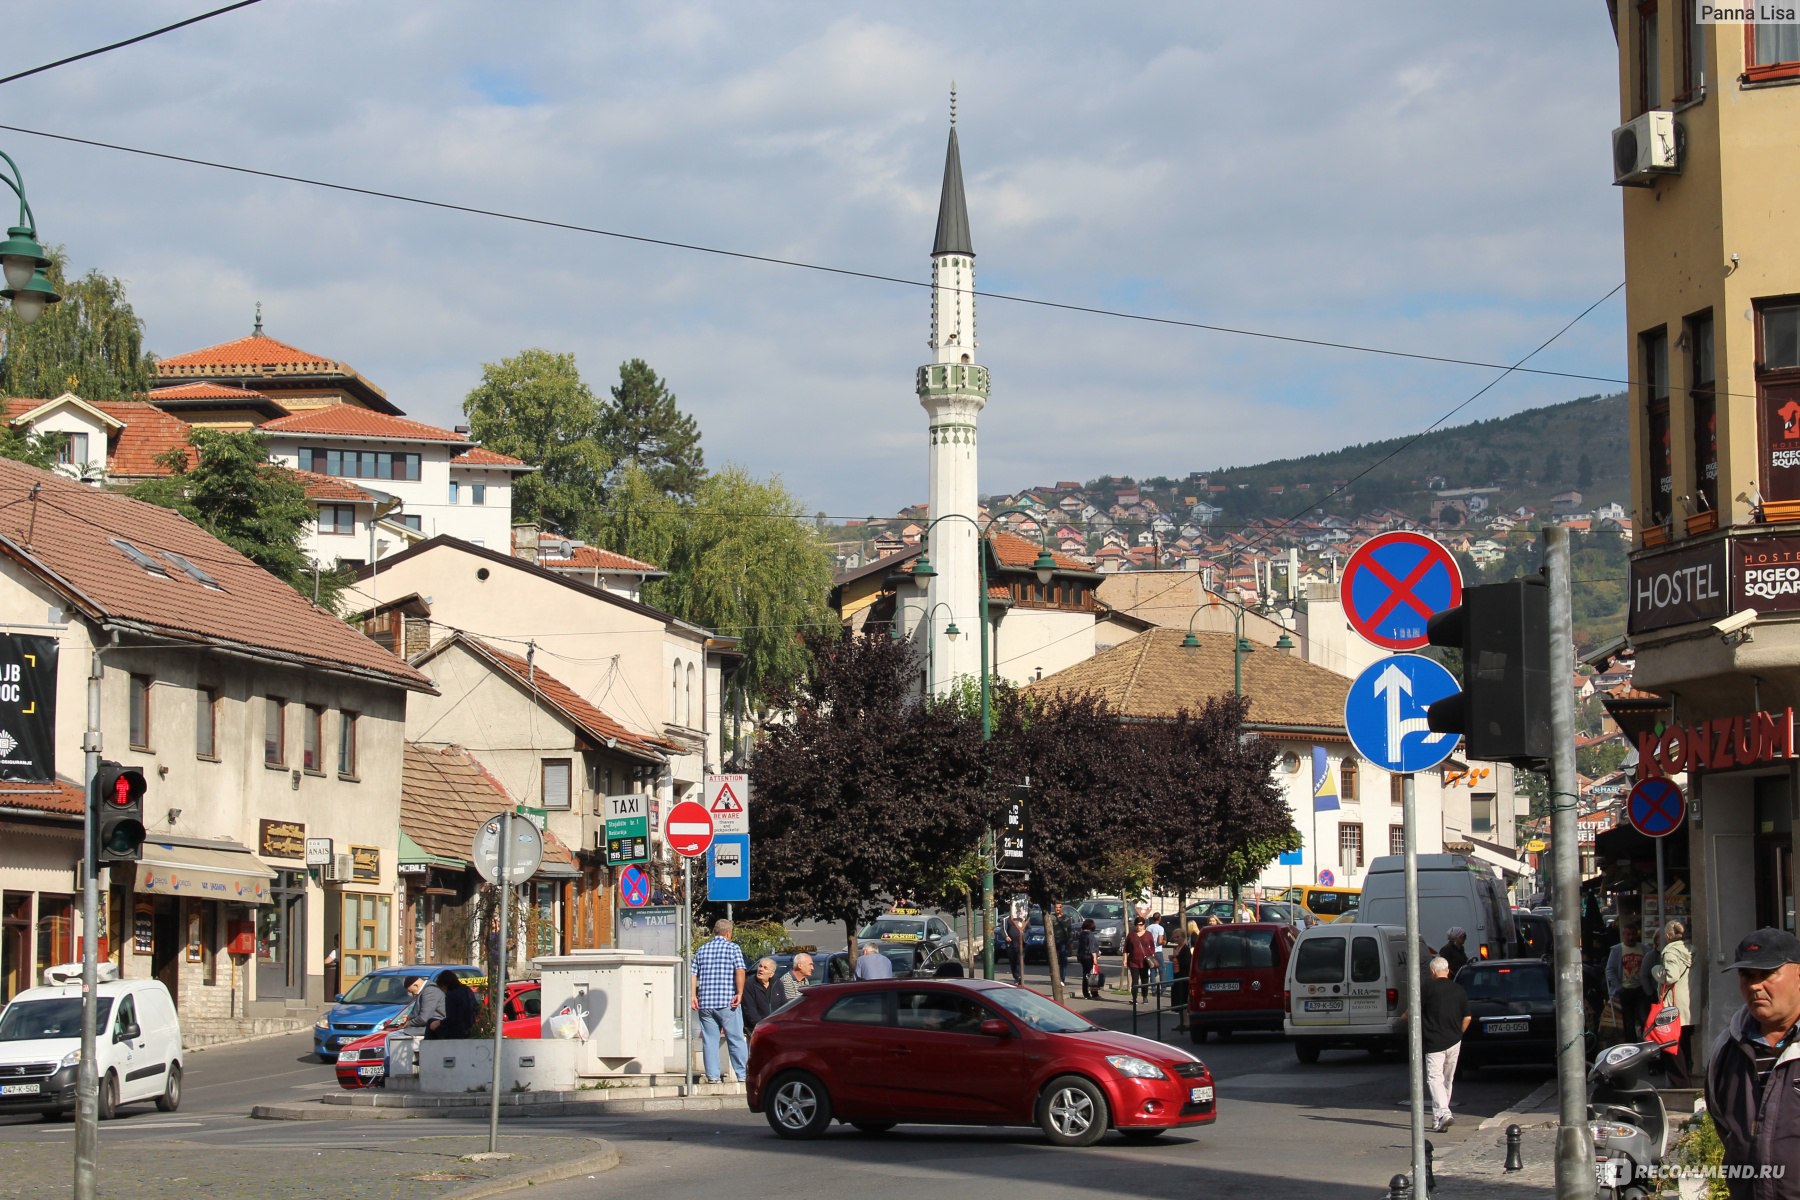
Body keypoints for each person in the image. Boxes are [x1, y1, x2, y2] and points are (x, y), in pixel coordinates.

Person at [1705, 927, 1800, 1199]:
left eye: (1767, 974)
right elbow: (1725, 1127)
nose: (1755, 986)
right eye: (1747, 976)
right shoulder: (1726, 1050)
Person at [689, 918, 748, 1083]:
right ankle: (742, 1075)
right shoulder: (733, 948)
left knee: (709, 1041)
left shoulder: (702, 949)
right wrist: (740, 992)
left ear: (715, 932)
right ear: (728, 933)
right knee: (735, 1039)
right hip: (727, 1002)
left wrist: (693, 995)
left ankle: (713, 1076)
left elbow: (693, 973)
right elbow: (740, 970)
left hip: (706, 1003)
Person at [1417, 955, 1472, 1133]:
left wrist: (1401, 1020)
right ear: (1447, 971)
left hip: (1434, 1042)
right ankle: (1438, 1118)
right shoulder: (1459, 990)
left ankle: (1443, 1112)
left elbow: (1415, 1010)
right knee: (1447, 1080)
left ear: (1432, 971)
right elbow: (1467, 1017)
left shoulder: (1427, 988)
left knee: (1434, 1079)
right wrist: (1458, 1033)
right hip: (1454, 1041)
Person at [1650, 921, 1694, 1086]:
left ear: (1668, 936)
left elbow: (1671, 976)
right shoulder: (1690, 950)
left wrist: (1655, 970)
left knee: (1671, 1045)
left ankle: (1680, 1084)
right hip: (1689, 1004)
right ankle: (1686, 1078)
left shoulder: (1670, 951)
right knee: (1684, 1045)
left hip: (1673, 1006)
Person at [1607, 921, 1651, 1039]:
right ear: (1623, 935)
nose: (1631, 937)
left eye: (1633, 934)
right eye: (1628, 934)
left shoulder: (1644, 949)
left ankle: (1645, 1043)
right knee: (1628, 1022)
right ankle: (1631, 1047)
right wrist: (1618, 988)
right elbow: (1610, 970)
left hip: (1640, 990)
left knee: (1644, 1019)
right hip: (1625, 990)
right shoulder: (1617, 950)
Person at [1172, 922, 1199, 1031]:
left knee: (1183, 1000)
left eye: (1178, 937)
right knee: (1179, 1001)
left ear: (1183, 937)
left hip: (1183, 976)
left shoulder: (1185, 949)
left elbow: (1187, 962)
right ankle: (1182, 1022)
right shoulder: (1177, 948)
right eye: (1175, 937)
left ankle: (1186, 1023)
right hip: (1177, 976)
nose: (1176, 939)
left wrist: (1176, 958)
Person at [438, 970, 479, 1039]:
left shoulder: (450, 995)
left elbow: (451, 1018)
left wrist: (439, 1023)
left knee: (431, 1024)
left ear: (445, 985)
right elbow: (476, 1008)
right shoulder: (467, 990)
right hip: (470, 1028)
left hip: (456, 1031)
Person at [742, 957, 780, 1032]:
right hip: (757, 1028)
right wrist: (763, 1027)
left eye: (765, 968)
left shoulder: (777, 983)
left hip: (776, 1026)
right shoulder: (749, 984)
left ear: (771, 974)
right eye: (760, 966)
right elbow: (750, 1011)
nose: (761, 969)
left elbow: (784, 1006)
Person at [1125, 917, 1157, 1003]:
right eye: (1137, 925)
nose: (1138, 927)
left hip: (1144, 961)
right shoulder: (1131, 935)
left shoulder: (1148, 934)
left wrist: (1151, 956)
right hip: (1133, 961)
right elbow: (1126, 949)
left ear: (1144, 925)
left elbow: (1152, 947)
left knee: (1144, 979)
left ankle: (1144, 996)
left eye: (1140, 925)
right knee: (1135, 980)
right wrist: (1125, 960)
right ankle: (1134, 998)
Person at [408, 973, 447, 1039]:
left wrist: (409, 1023)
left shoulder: (429, 991)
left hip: (433, 1031)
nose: (412, 994)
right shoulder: (427, 990)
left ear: (416, 985)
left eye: (412, 992)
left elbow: (424, 1018)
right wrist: (409, 1017)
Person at [1076, 918, 1101, 1000]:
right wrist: (1095, 958)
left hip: (1082, 956)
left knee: (1085, 975)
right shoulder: (1090, 935)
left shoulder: (1081, 934)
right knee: (1092, 975)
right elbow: (1091, 947)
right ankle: (1094, 993)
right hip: (1089, 957)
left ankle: (1086, 993)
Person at [1001, 910, 1025, 985]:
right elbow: (1003, 929)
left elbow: (1028, 929)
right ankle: (1016, 977)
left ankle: (1020, 976)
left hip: (1021, 943)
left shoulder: (1022, 919)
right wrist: (1006, 937)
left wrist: (1024, 937)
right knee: (1013, 961)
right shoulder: (1006, 919)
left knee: (1020, 960)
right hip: (1011, 944)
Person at [1052, 902, 1073, 984]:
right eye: (1056, 907)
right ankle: (1055, 978)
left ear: (1062, 908)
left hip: (1063, 942)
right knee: (1054, 961)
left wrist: (1070, 942)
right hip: (1053, 941)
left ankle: (1062, 979)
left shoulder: (1066, 918)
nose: (1057, 909)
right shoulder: (1051, 917)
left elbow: (1070, 930)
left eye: (1059, 907)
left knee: (1063, 961)